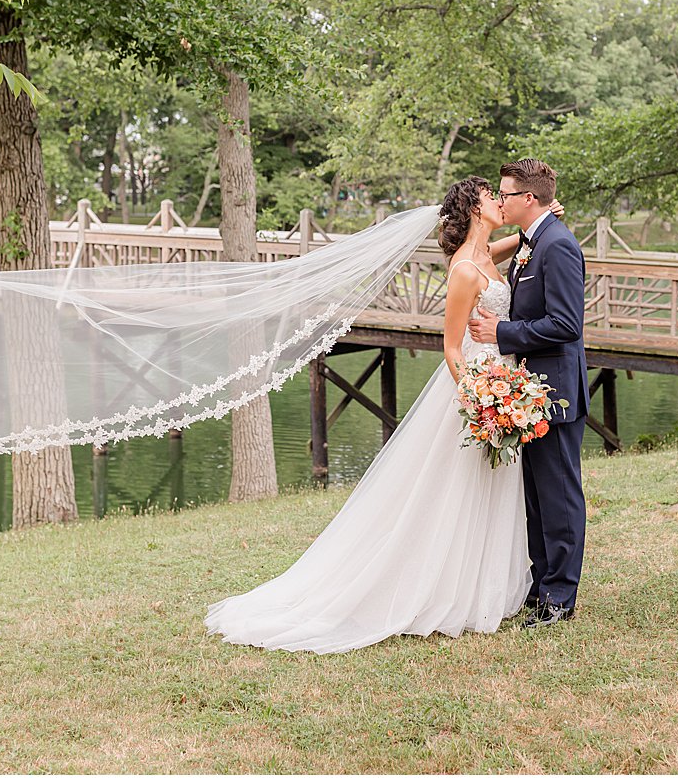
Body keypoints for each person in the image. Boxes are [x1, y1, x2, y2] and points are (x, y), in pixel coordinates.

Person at [205, 176, 566, 653]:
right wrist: (479, 401)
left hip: (503, 382)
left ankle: (484, 587)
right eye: (491, 198)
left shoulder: (484, 256)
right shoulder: (463, 270)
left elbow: (497, 251)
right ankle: (437, 587)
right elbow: (451, 347)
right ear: (476, 210)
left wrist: (534, 228)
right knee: (450, 490)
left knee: (489, 487)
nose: (500, 202)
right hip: (478, 387)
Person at [468, 159, 588, 627]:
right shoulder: (532, 243)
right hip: (531, 392)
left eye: (506, 194)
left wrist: (503, 330)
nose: (500, 201)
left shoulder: (557, 247)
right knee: (537, 500)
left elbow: (565, 325)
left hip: (556, 392)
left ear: (528, 199)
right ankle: (541, 591)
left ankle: (561, 600)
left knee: (559, 498)